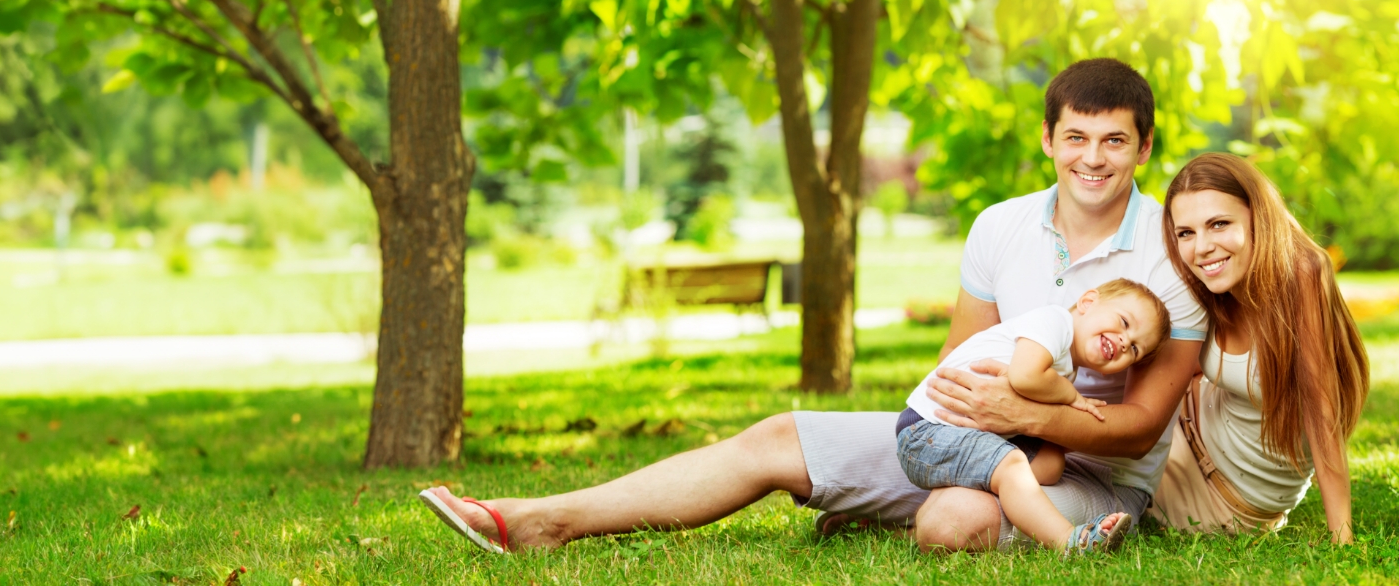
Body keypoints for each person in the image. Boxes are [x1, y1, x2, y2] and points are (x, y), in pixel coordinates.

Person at [416, 58, 1206, 554]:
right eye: (1076, 138)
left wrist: (1023, 413)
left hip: (1090, 472)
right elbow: (957, 366)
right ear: (1047, 139)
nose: (1092, 158)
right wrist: (977, 420)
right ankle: (543, 520)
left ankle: (892, 510)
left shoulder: (1172, 249)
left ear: (1143, 147)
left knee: (950, 524)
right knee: (775, 437)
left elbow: (1138, 424)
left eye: (1112, 141)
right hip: (974, 440)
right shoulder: (1001, 225)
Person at [1146, 152, 1368, 543]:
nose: (1202, 248)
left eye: (1219, 224)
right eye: (1186, 233)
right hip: (1183, 427)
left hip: (1222, 494)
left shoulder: (1301, 272)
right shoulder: (1207, 284)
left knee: (1095, 469)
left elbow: (1321, 408)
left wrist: (1342, 535)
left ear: (1257, 217)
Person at [896, 279, 1171, 553]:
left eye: (1135, 349)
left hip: (958, 431)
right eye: (1124, 322)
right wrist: (1071, 396)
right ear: (1087, 302)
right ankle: (1068, 541)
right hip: (927, 431)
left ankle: (997, 489)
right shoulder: (1054, 322)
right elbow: (1024, 376)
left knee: (1050, 463)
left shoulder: (1064, 362)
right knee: (1011, 464)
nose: (1125, 341)